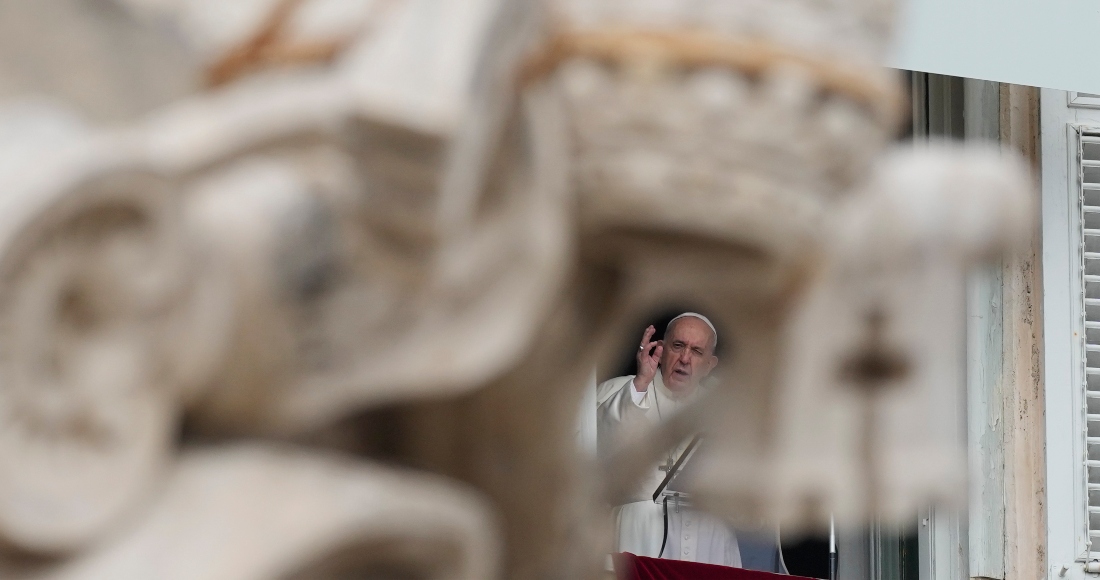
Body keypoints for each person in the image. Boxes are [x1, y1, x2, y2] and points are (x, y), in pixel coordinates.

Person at [597, 313, 786, 571]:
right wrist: (640, 383)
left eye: (697, 351)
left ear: (710, 364)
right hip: (639, 534)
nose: (685, 358)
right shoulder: (620, 392)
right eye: (678, 346)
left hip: (708, 539)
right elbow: (603, 448)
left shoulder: (726, 408)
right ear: (661, 350)